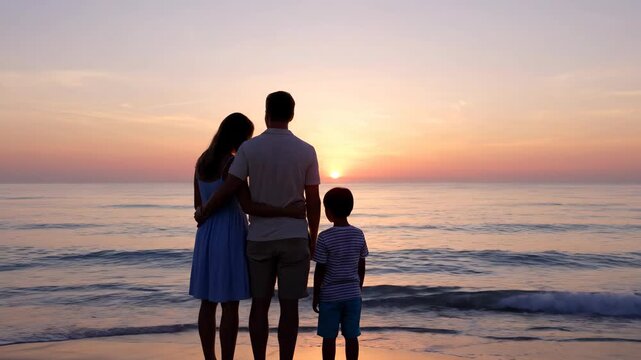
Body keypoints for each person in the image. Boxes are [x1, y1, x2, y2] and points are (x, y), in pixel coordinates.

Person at [196, 91, 321, 360]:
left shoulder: (248, 150)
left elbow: (229, 188)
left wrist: (204, 212)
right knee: (289, 308)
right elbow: (313, 198)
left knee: (259, 307)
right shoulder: (307, 150)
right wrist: (314, 236)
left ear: (266, 113)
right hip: (294, 236)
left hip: (259, 238)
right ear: (292, 114)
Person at [312, 187, 368, 360]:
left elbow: (320, 270)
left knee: (329, 337)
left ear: (328, 211)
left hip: (330, 296)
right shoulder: (358, 234)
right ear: (350, 208)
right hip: (352, 295)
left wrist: (316, 295)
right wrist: (358, 287)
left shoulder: (324, 237)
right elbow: (361, 264)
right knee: (352, 336)